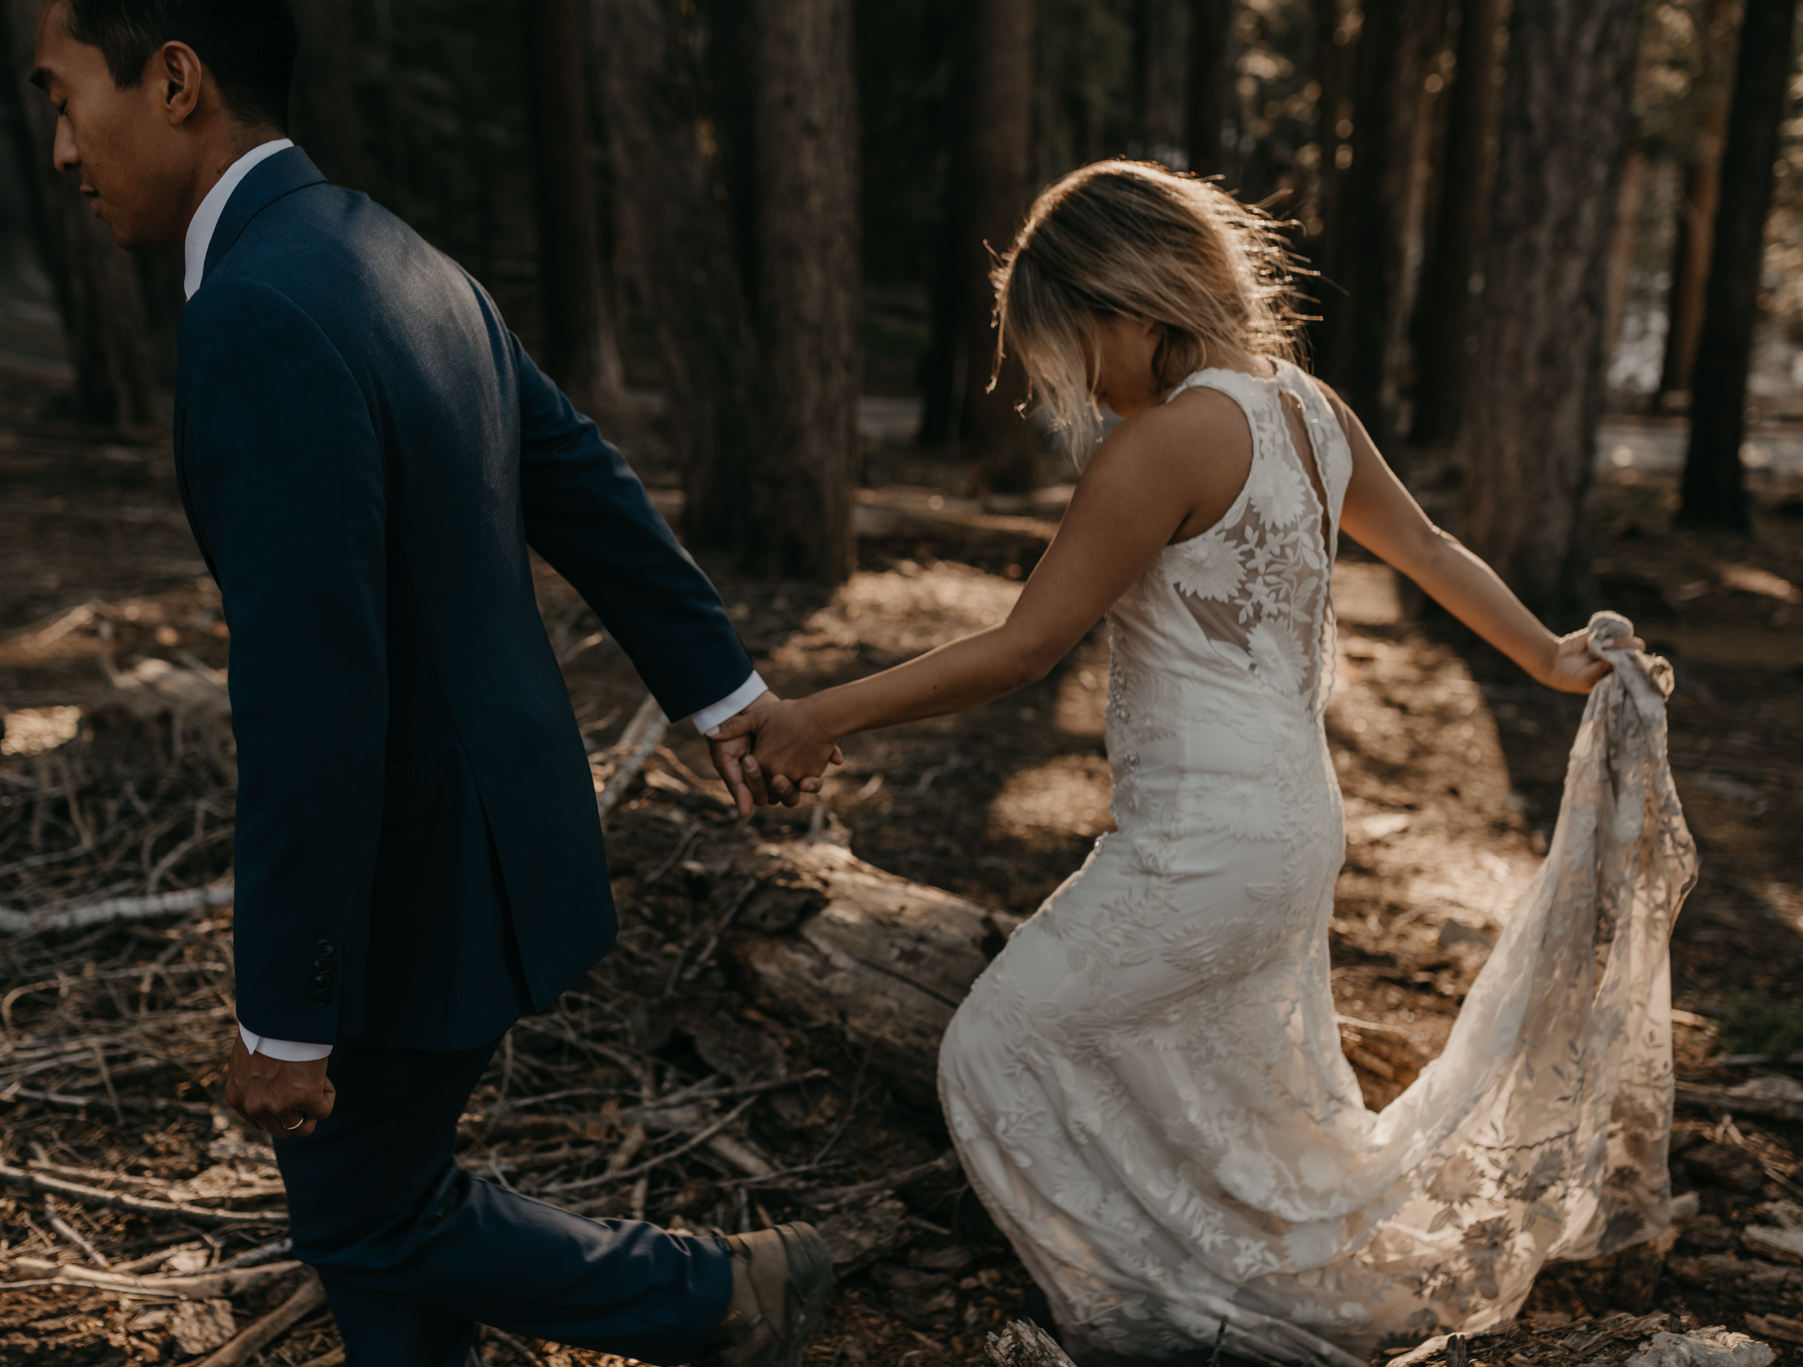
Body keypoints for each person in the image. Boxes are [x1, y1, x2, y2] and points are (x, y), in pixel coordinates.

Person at [715, 161, 1697, 1365]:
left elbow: (1024, 649)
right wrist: (1544, 656)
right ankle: (1239, 1286)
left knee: (994, 1048)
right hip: (1292, 829)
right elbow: (1429, 549)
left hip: (1201, 844)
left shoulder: (1160, 445)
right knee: (1234, 1097)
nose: (1071, 381)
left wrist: (821, 715)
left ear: (1128, 304)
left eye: (1070, 344)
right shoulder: (1306, 408)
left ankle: (1163, 1318)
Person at [25, 2, 832, 1364]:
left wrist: (289, 1010)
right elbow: (580, 476)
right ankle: (722, 1291)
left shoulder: (259, 311)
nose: (58, 146)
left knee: (365, 1209)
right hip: (493, 836)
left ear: (173, 81)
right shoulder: (392, 249)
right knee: (373, 1214)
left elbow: (312, 702)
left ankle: (720, 1290)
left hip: (408, 879)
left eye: (62, 97)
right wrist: (722, 688)